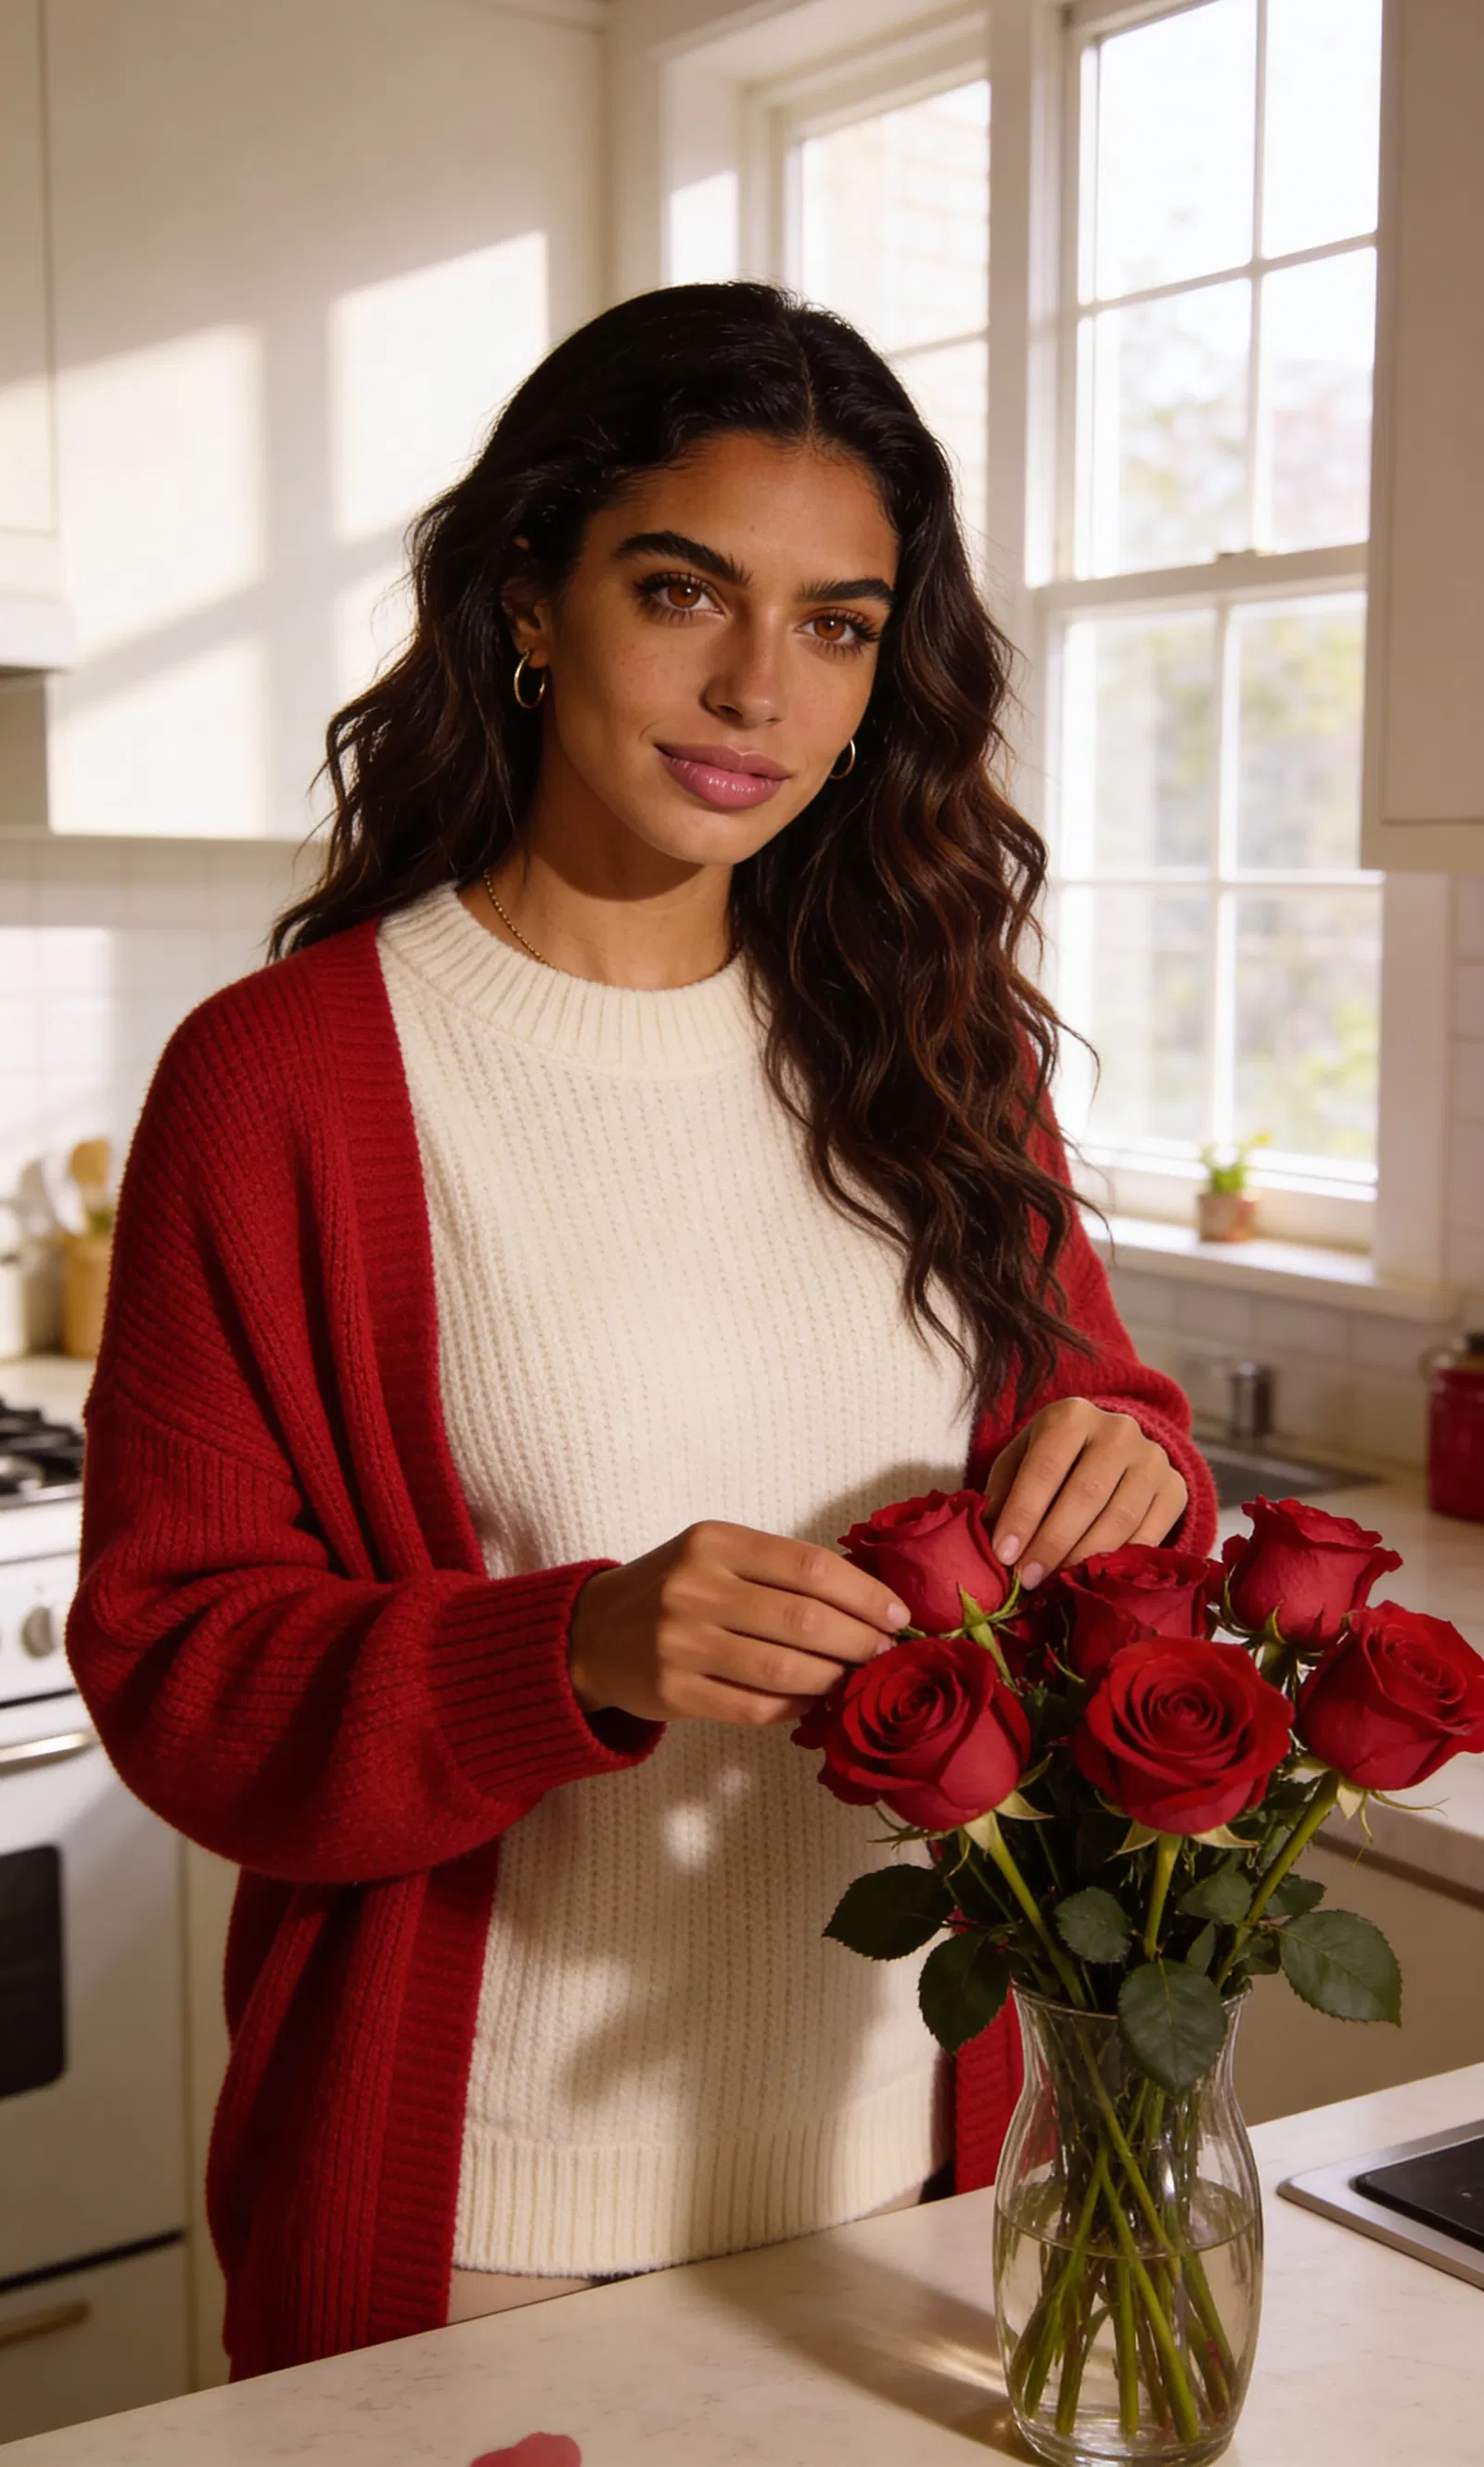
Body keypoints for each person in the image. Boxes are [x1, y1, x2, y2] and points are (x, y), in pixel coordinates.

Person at [69, 282, 1214, 2381]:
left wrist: (1131, 1445)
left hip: (919, 2196)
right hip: (488, 2232)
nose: (754, 689)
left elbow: (1090, 1426)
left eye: (837, 625)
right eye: (681, 589)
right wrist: (568, 1650)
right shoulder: (290, 1078)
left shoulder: (927, 1049)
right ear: (530, 592)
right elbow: (174, 1668)